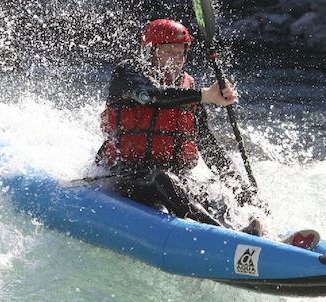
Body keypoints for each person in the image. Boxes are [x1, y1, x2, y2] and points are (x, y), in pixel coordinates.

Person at [95, 19, 264, 235]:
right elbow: (151, 96)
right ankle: (227, 237)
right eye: (167, 52)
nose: (174, 60)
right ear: (149, 51)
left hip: (174, 177)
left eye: (180, 53)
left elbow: (208, 145)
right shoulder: (127, 73)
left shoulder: (189, 87)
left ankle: (261, 233)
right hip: (125, 175)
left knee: (214, 192)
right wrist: (205, 95)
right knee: (163, 179)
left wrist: (241, 189)